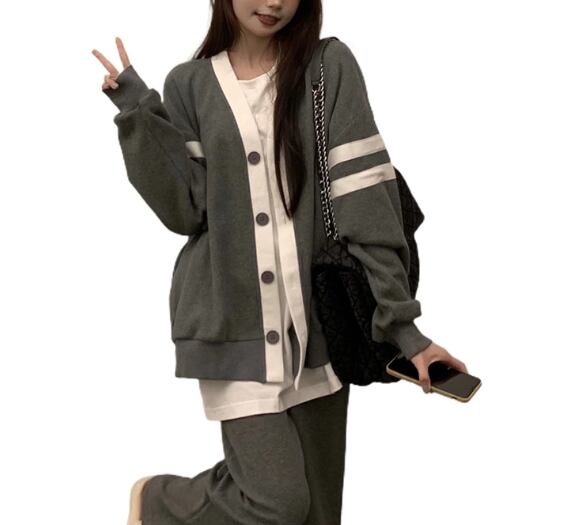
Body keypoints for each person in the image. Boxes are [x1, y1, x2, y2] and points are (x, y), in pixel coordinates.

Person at [93, 1, 468, 523]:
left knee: (319, 515)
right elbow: (185, 210)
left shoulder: (327, 68)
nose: (274, 2)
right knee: (277, 504)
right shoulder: (189, 84)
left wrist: (407, 334)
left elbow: (366, 201)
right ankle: (161, 504)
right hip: (232, 327)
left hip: (319, 330)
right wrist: (137, 111)